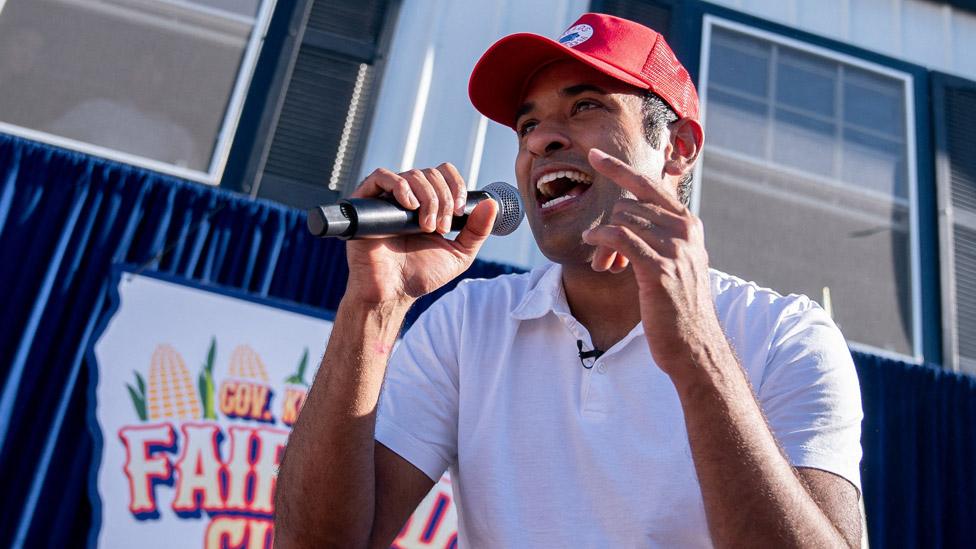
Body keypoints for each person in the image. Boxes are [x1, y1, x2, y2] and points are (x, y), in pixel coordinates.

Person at [275, 13, 863, 548]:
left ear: (678, 148)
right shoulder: (467, 325)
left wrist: (697, 350)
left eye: (585, 107)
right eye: (526, 124)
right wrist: (374, 305)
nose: (539, 140)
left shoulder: (787, 334)